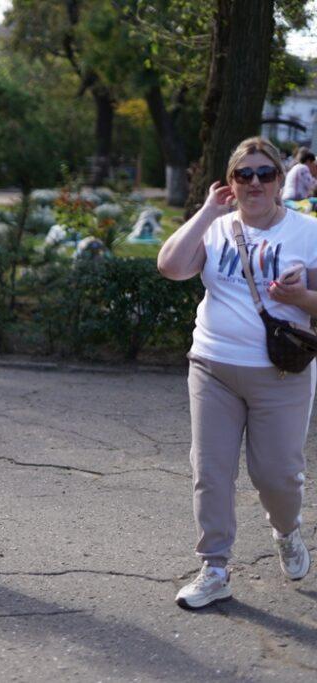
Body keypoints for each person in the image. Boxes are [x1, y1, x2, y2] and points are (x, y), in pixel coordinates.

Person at [157, 136, 317, 609]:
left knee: (277, 475)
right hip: (212, 366)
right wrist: (207, 211)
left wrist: (300, 299)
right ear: (229, 182)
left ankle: (286, 531)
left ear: (279, 181)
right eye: (242, 175)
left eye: (264, 173)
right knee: (210, 471)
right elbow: (170, 267)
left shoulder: (306, 232)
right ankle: (215, 567)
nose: (254, 183)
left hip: (281, 372)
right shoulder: (216, 226)